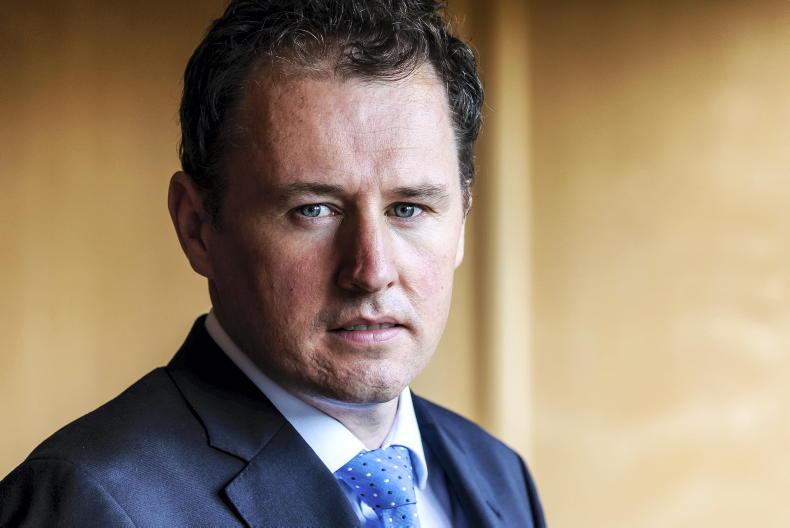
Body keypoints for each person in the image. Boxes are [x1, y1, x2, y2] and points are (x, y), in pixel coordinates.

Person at [0, 1, 545, 526]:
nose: (371, 271)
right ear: (197, 226)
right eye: (313, 210)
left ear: (462, 219)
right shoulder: (88, 502)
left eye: (408, 209)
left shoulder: (499, 476)